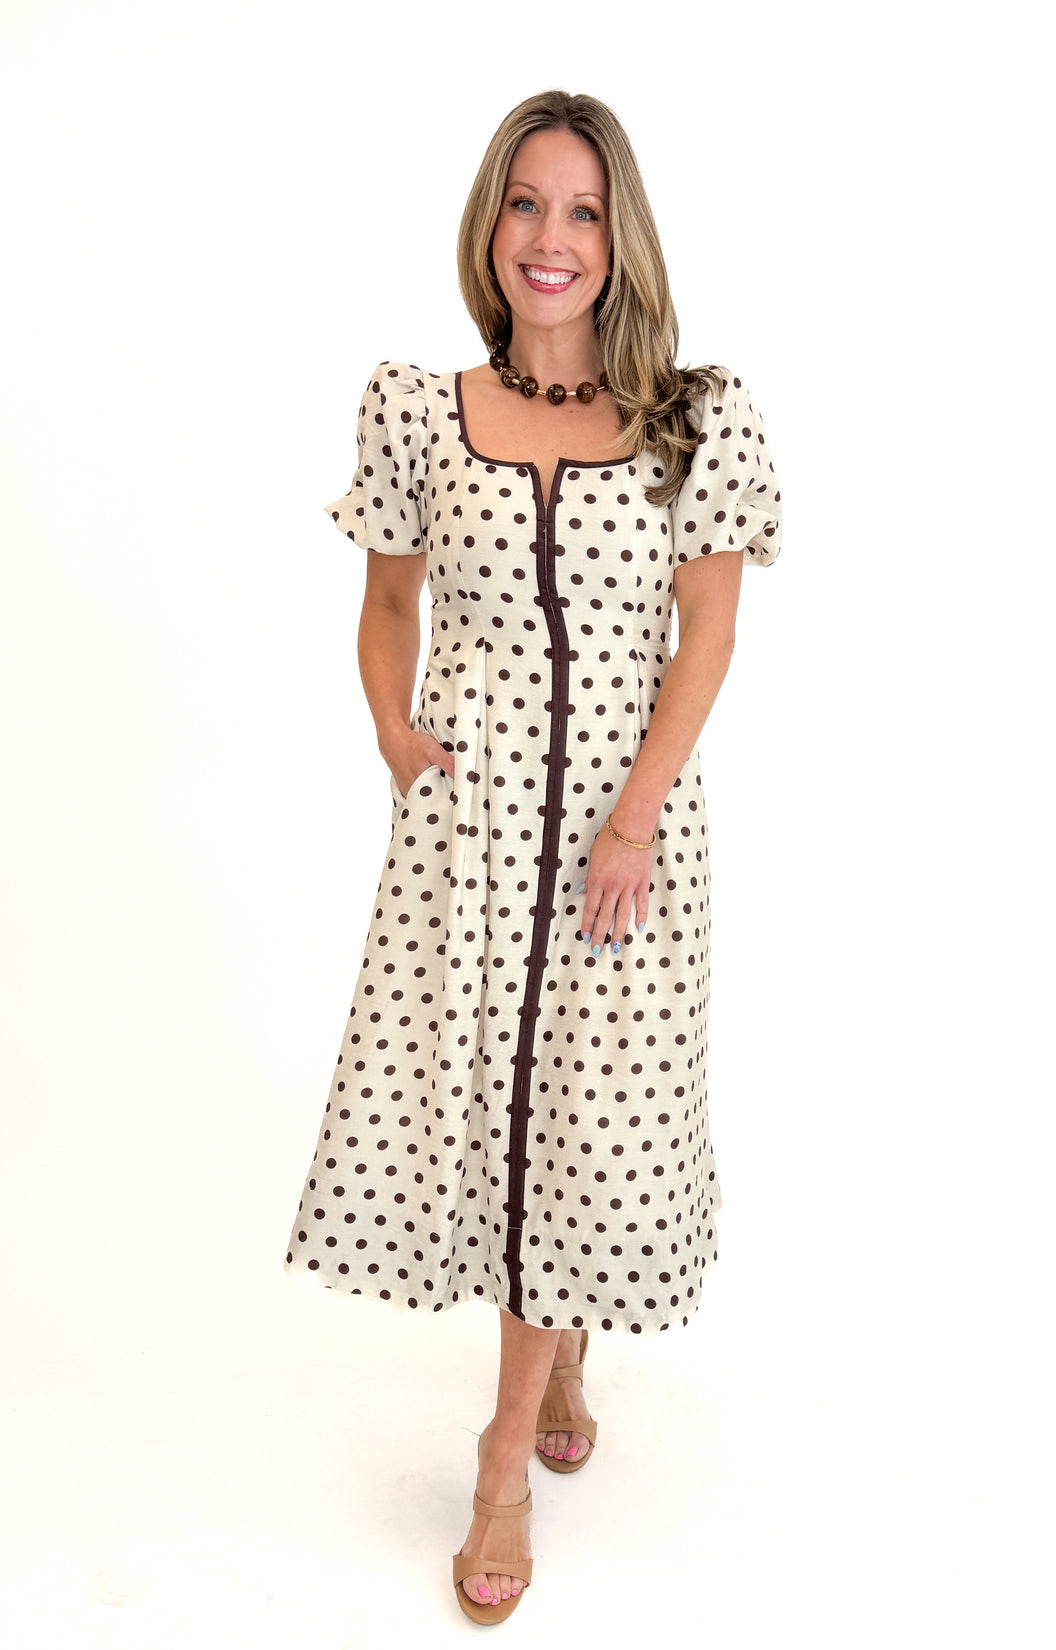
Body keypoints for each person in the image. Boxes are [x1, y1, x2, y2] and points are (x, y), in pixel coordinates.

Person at [284, 88, 783, 1624]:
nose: (548, 239)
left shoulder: (698, 416)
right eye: (523, 205)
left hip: (627, 837)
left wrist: (633, 816)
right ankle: (553, 1351)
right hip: (475, 832)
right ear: (488, 229)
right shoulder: (417, 410)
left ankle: (505, 1443)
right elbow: (388, 600)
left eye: (578, 210)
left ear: (616, 236)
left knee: (587, 1112)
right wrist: (393, 729)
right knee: (494, 1112)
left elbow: (706, 636)